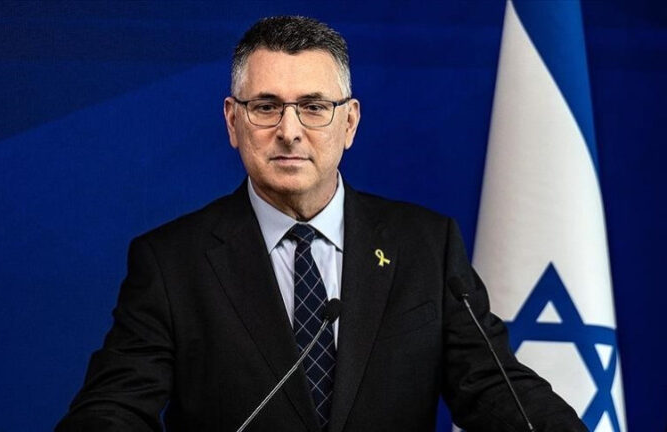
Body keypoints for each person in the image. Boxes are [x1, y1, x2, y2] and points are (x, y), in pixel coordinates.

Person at [56, 16, 586, 432]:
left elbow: (496, 389)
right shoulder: (172, 262)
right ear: (233, 121)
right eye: (266, 107)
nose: (289, 131)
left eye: (313, 107)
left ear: (349, 123)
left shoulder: (426, 246)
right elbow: (115, 407)